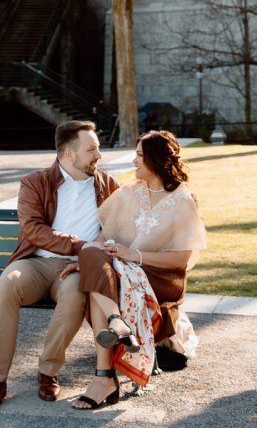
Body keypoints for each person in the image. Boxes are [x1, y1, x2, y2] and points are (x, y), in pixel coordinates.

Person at [0, 120, 120, 407]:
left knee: (75, 292)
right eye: (92, 149)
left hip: (76, 269)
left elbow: (121, 225)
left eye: (99, 148)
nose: (99, 155)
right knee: (7, 283)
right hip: (35, 264)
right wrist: (79, 245)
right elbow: (33, 229)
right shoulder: (35, 182)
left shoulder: (108, 186)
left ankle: (48, 372)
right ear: (69, 153)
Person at [63, 129, 207, 410]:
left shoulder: (182, 200)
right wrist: (84, 261)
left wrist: (134, 255)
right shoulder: (129, 192)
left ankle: (106, 376)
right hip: (123, 269)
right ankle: (116, 326)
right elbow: (104, 238)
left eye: (140, 155)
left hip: (161, 278)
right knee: (91, 253)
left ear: (155, 160)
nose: (134, 161)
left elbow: (180, 260)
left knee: (99, 285)